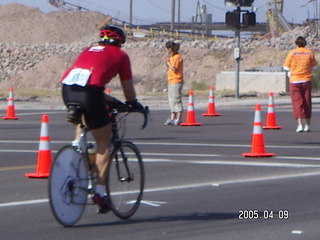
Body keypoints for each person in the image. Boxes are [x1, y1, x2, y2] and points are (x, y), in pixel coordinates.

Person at [60, 25, 144, 213]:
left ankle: (77, 147)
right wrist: (132, 103)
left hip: (68, 90)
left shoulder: (88, 50)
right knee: (104, 142)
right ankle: (99, 193)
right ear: (120, 42)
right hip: (90, 92)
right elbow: (127, 87)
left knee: (84, 120)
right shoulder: (121, 56)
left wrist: (109, 99)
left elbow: (86, 81)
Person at [283, 36, 318, 132]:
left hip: (295, 80)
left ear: (296, 44)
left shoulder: (292, 53)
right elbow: (315, 67)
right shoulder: (309, 52)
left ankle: (299, 125)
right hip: (306, 79)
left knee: (297, 102)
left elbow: (286, 67)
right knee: (307, 101)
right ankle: (307, 125)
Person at [162, 41, 184, 126]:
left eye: (168, 49)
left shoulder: (177, 57)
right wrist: (167, 62)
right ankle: (172, 118)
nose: (167, 50)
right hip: (171, 81)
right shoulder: (172, 57)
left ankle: (178, 118)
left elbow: (174, 69)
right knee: (171, 100)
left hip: (176, 81)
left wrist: (167, 62)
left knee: (176, 99)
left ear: (170, 49)